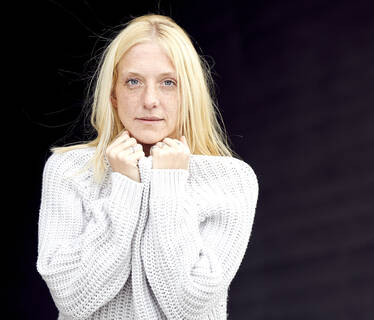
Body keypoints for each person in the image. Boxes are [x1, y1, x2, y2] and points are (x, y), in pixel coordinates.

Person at [36, 14, 259, 320]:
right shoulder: (69, 170)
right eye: (133, 82)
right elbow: (74, 298)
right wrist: (125, 187)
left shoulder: (231, 181)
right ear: (114, 94)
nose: (150, 100)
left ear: (189, 93)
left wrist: (168, 184)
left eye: (168, 83)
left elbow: (187, 306)